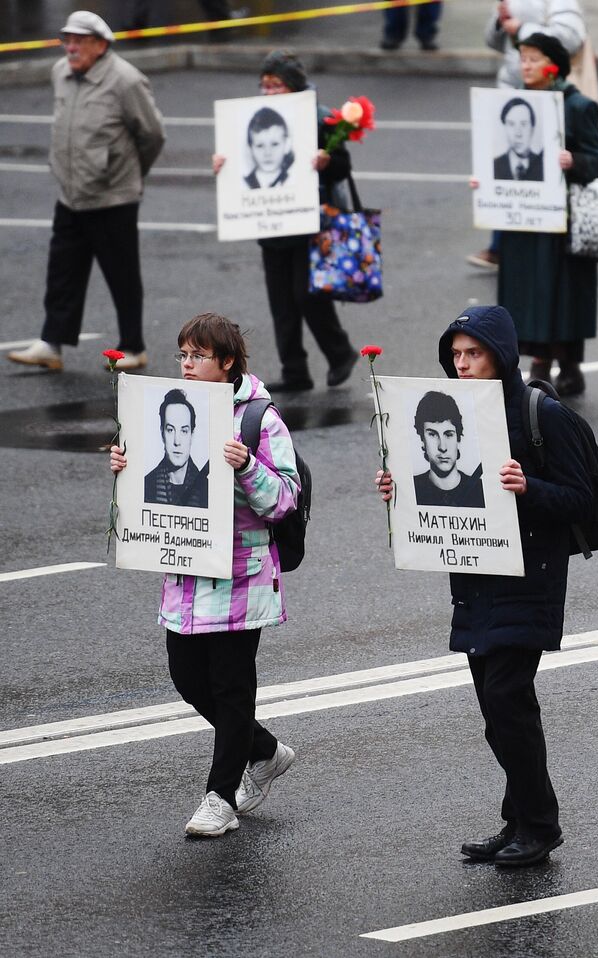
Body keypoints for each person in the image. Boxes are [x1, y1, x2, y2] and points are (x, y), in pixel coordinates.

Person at [375, 304, 594, 867]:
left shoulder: (542, 415)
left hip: (529, 576)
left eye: (474, 353)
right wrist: (400, 490)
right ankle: (518, 819)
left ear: (501, 354)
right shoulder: (460, 415)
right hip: (474, 578)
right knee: (497, 710)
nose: (463, 364)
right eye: (456, 355)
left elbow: (583, 499)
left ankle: (540, 825)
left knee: (506, 699)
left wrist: (530, 488)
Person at [110, 312, 300, 838]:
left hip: (242, 577)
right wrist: (126, 469)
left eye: (199, 356)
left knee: (231, 687)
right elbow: (152, 492)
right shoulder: (169, 410)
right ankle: (265, 750)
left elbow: (285, 499)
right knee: (188, 679)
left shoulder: (260, 419)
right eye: (183, 355)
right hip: (186, 574)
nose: (188, 365)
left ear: (228, 362)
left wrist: (247, 466)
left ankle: (220, 799)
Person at [7, 12, 165, 375]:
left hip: (113, 197)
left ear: (100, 44)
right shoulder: (60, 72)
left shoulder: (125, 79)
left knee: (121, 274)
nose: (71, 47)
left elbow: (153, 135)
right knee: (62, 271)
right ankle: (51, 344)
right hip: (71, 193)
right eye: (68, 40)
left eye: (79, 41)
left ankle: (133, 347)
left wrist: (129, 173)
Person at [212, 51, 361, 393]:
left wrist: (327, 162)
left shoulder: (320, 118)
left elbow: (343, 167)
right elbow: (239, 165)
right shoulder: (247, 119)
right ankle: (294, 370)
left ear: (293, 85)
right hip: (270, 224)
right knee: (281, 302)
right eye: (265, 85)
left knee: (307, 295)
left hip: (310, 224)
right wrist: (223, 165)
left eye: (276, 84)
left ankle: (340, 352)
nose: (269, 92)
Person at [477, 33, 598, 396]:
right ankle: (538, 362)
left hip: (561, 220)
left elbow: (596, 162)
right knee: (523, 291)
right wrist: (484, 181)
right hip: (520, 217)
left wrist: (574, 160)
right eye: (523, 59)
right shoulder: (511, 103)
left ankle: (563, 364)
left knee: (560, 293)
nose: (526, 66)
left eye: (534, 59)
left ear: (554, 65)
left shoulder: (578, 106)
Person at [470, 0, 588, 270]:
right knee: (507, 174)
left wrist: (522, 29)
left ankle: (542, 249)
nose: (526, 63)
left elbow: (570, 39)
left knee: (541, 171)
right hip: (510, 92)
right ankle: (502, 246)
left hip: (548, 99)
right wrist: (499, 23)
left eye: (531, 60)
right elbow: (493, 42)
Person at [413, 390, 486, 508]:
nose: (442, 447)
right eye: (432, 434)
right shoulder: (410, 488)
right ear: (422, 440)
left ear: (458, 439)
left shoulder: (482, 491)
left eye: (449, 434)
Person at [145, 388, 210, 509]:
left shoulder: (208, 489)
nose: (177, 441)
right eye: (170, 430)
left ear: (192, 434)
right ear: (162, 433)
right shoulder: (146, 486)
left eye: (184, 431)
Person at [492, 97, 546, 182]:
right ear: (504, 127)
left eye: (524, 124)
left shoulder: (544, 166)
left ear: (532, 128)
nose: (518, 134)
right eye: (511, 124)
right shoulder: (494, 166)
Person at [244, 107, 294, 190]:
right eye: (260, 146)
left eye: (274, 144)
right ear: (250, 148)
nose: (268, 153)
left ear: (287, 145)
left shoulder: (294, 180)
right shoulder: (242, 184)